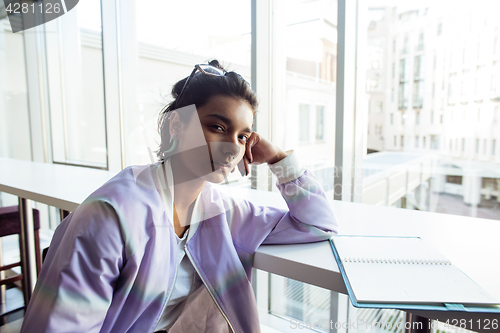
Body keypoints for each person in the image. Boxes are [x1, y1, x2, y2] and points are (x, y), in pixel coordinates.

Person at [21, 60, 338, 333]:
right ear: (177, 124)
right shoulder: (110, 216)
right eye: (217, 126)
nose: (232, 147)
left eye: (243, 136)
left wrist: (279, 159)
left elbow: (317, 224)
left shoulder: (219, 210)